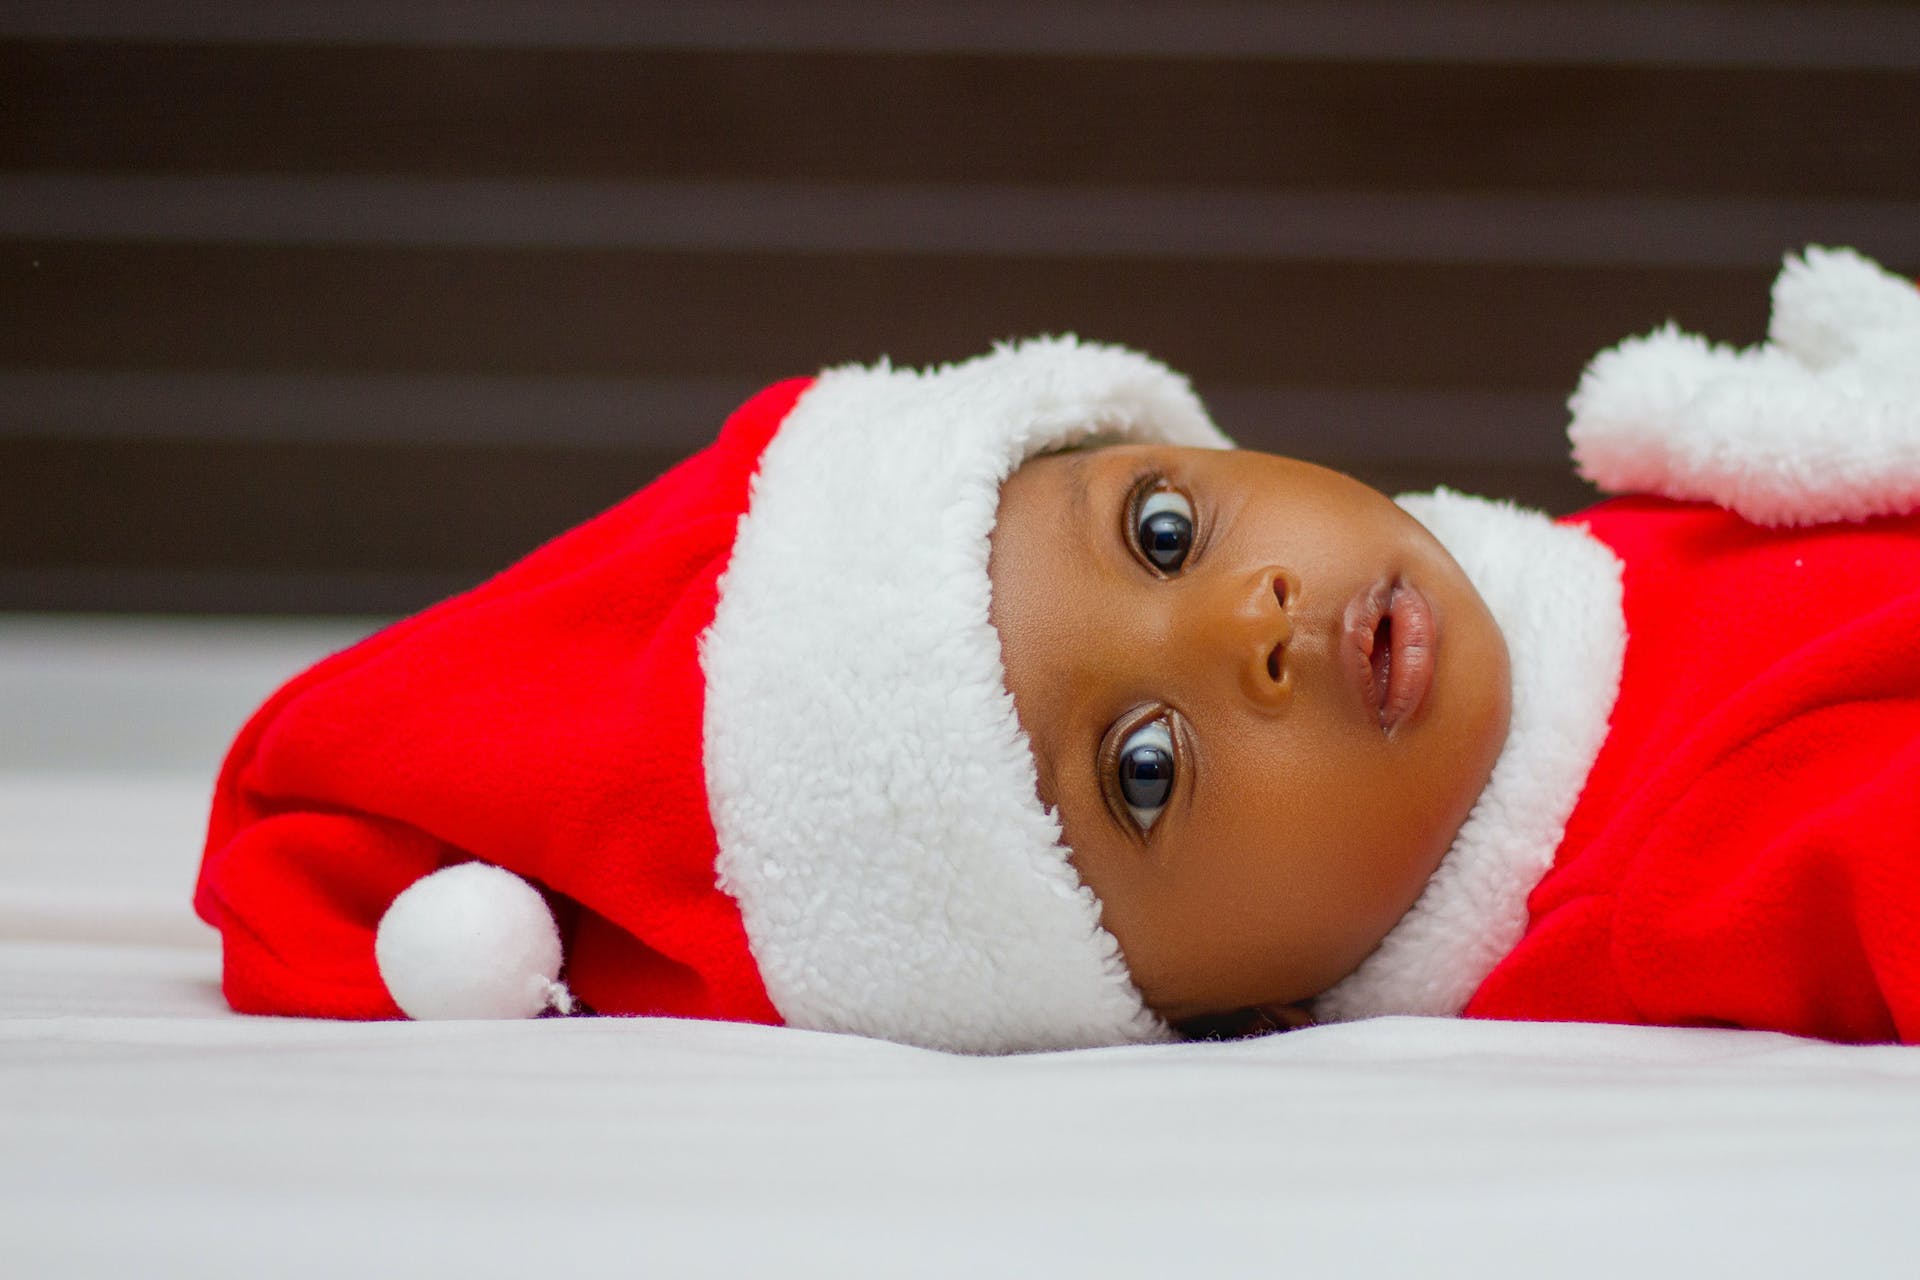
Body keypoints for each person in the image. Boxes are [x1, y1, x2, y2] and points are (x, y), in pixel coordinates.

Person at [194, 246, 1920, 1051]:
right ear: (1232, 1007)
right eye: (1145, 771)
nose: (1247, 633)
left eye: (1165, 533)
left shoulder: (1620, 566)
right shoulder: (1686, 861)